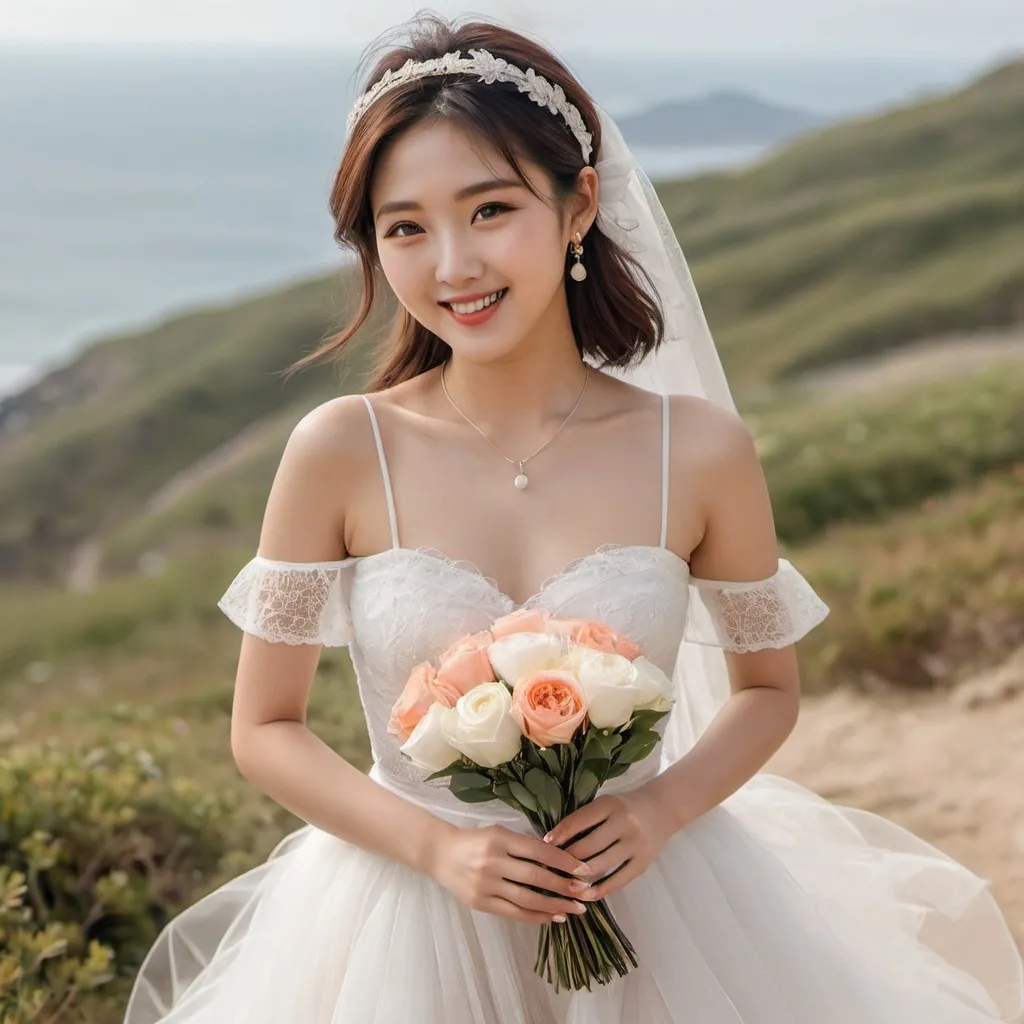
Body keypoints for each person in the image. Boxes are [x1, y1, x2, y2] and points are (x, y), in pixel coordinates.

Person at [124, 14, 1024, 1024]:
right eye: (405, 226)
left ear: (577, 203)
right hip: (403, 920)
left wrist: (657, 808)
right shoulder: (340, 449)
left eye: (490, 208)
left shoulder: (701, 449)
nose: (452, 264)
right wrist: (437, 847)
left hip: (660, 902)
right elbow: (264, 727)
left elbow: (767, 689)